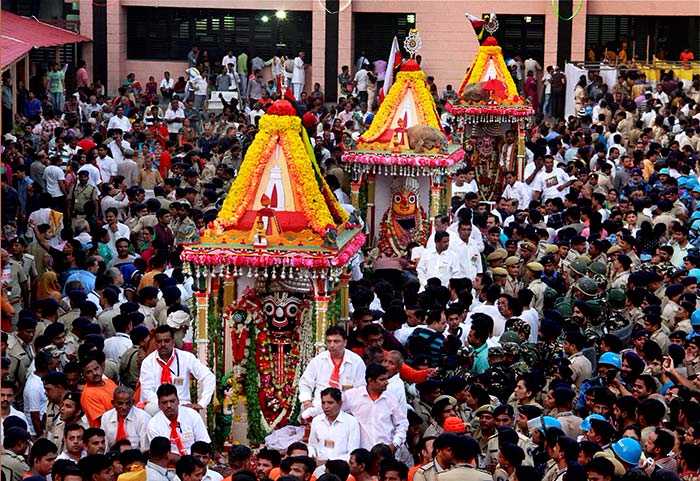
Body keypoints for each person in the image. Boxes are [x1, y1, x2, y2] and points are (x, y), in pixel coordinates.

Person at [139, 325, 215, 411]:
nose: (163, 344)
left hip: (182, 406)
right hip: (157, 407)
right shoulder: (148, 362)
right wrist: (166, 405)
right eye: (159, 341)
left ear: (173, 342)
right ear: (155, 343)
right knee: (151, 408)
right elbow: (147, 391)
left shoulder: (186, 357)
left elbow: (208, 376)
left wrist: (202, 403)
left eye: (167, 341)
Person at [299, 325, 366, 418]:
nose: (332, 345)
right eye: (329, 341)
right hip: (320, 408)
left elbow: (361, 388)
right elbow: (305, 383)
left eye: (336, 341)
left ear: (345, 342)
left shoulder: (356, 361)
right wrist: (307, 402)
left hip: (347, 410)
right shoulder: (318, 360)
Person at [342, 363, 409, 450]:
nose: (386, 382)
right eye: (382, 379)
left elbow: (402, 423)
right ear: (370, 381)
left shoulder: (391, 398)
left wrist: (395, 444)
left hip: (385, 451)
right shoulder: (352, 395)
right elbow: (337, 412)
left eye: (387, 379)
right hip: (361, 452)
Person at [147, 383, 210, 455]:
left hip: (194, 461)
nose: (169, 405)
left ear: (178, 401)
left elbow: (204, 444)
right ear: (159, 404)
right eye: (164, 402)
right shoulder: (153, 425)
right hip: (168, 464)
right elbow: (160, 455)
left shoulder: (192, 415)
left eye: (172, 401)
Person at [308, 387, 361, 462]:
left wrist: (328, 462)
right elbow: (312, 445)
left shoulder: (351, 422)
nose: (326, 407)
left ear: (340, 403)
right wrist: (313, 456)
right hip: (318, 465)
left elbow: (352, 453)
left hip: (341, 467)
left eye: (330, 403)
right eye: (323, 403)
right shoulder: (317, 421)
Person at [100, 386, 150, 451]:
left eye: (128, 403)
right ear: (113, 403)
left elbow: (144, 448)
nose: (124, 407)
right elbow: (105, 446)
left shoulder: (143, 418)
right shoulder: (106, 417)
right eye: (120, 403)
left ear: (133, 402)